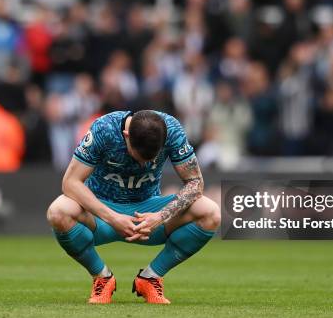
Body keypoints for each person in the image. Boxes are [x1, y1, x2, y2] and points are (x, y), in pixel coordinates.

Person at [46, 110, 220, 304]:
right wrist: (113, 218)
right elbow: (70, 183)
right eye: (138, 157)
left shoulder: (172, 129)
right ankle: (102, 277)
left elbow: (195, 182)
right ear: (127, 135)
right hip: (101, 213)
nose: (143, 164)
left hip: (148, 214)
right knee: (58, 211)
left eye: (151, 160)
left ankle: (151, 277)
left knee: (210, 212)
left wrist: (160, 216)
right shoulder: (104, 129)